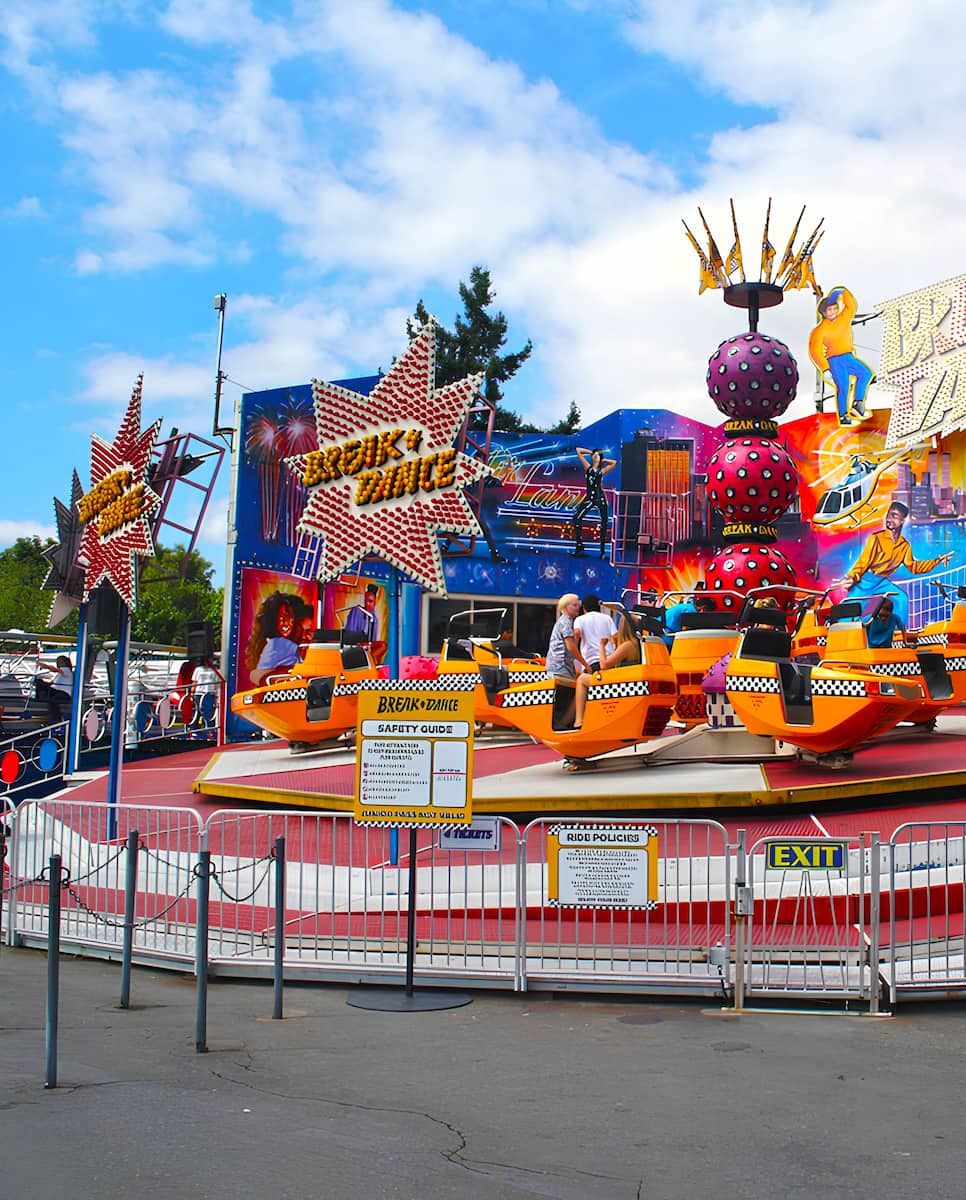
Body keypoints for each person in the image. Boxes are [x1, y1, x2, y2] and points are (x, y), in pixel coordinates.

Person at [840, 501, 951, 625]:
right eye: (888, 515)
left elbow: (914, 567)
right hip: (865, 581)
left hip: (881, 581)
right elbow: (863, 562)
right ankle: (840, 632)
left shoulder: (904, 545)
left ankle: (900, 631)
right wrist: (853, 577)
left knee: (901, 598)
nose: (889, 519)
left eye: (894, 516)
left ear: (902, 521)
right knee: (849, 611)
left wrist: (937, 561)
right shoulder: (876, 538)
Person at [807, 286, 874, 427]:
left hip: (848, 357)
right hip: (835, 361)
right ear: (823, 313)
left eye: (835, 309)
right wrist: (825, 368)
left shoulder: (843, 319)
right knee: (843, 387)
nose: (833, 312)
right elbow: (815, 350)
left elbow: (851, 306)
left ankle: (858, 403)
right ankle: (844, 416)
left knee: (866, 373)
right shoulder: (820, 330)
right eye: (829, 310)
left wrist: (842, 291)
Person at [573, 617, 641, 729]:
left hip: (621, 684)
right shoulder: (637, 643)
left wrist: (602, 646)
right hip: (627, 680)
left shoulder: (628, 645)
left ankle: (579, 721)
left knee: (582, 679)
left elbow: (604, 665)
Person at [246, 592, 301, 686]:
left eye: (289, 616)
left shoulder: (271, 643)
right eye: (281, 617)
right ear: (272, 620)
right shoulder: (279, 643)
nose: (285, 623)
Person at [571, 447, 617, 559]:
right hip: (590, 498)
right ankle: (579, 545)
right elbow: (578, 450)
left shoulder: (601, 471)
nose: (595, 457)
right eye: (594, 456)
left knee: (604, 523)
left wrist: (604, 459)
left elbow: (614, 463)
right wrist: (591, 452)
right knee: (577, 518)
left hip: (600, 497)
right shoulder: (588, 467)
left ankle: (602, 551)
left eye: (597, 456)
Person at [546, 593, 588, 683]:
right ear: (565, 607)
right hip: (561, 667)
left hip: (558, 666)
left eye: (578, 605)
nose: (578, 608)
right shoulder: (566, 622)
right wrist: (585, 664)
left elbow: (569, 646)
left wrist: (576, 637)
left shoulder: (564, 621)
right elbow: (571, 647)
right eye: (574, 605)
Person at [574, 594, 616, 671]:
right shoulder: (607, 618)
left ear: (584, 608)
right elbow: (616, 636)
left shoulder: (580, 619)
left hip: (590, 662)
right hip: (608, 660)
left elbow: (577, 632)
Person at [36, 653, 74, 720]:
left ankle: (56, 718)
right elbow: (51, 683)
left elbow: (56, 670)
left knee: (53, 700)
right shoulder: (60, 674)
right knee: (39, 682)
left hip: (63, 694)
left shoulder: (66, 670)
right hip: (56, 691)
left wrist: (45, 666)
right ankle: (41, 699)